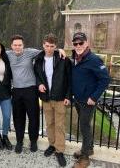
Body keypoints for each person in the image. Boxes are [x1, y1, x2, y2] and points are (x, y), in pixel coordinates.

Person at [6, 34, 66, 154]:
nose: (17, 47)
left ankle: (33, 141)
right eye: (15, 45)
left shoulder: (30, 52)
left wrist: (60, 50)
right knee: (18, 118)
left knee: (33, 117)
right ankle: (19, 141)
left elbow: (47, 50)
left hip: (31, 90)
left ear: (23, 45)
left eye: (20, 45)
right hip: (16, 91)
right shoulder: (7, 54)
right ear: (11, 46)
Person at [71, 32, 110, 168]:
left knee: (84, 127)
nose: (78, 45)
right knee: (85, 126)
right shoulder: (75, 57)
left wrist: (94, 97)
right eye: (75, 43)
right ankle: (89, 148)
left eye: (81, 43)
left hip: (88, 102)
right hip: (78, 100)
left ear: (87, 43)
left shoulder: (94, 59)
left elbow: (105, 79)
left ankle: (85, 158)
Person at [34, 33, 71, 167]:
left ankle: (59, 150)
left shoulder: (63, 59)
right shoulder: (38, 59)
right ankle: (52, 145)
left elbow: (69, 79)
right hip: (46, 98)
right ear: (43, 45)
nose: (49, 48)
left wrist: (68, 96)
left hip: (60, 98)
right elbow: (36, 75)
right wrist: (39, 84)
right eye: (47, 46)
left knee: (60, 125)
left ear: (56, 46)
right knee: (49, 124)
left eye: (52, 46)